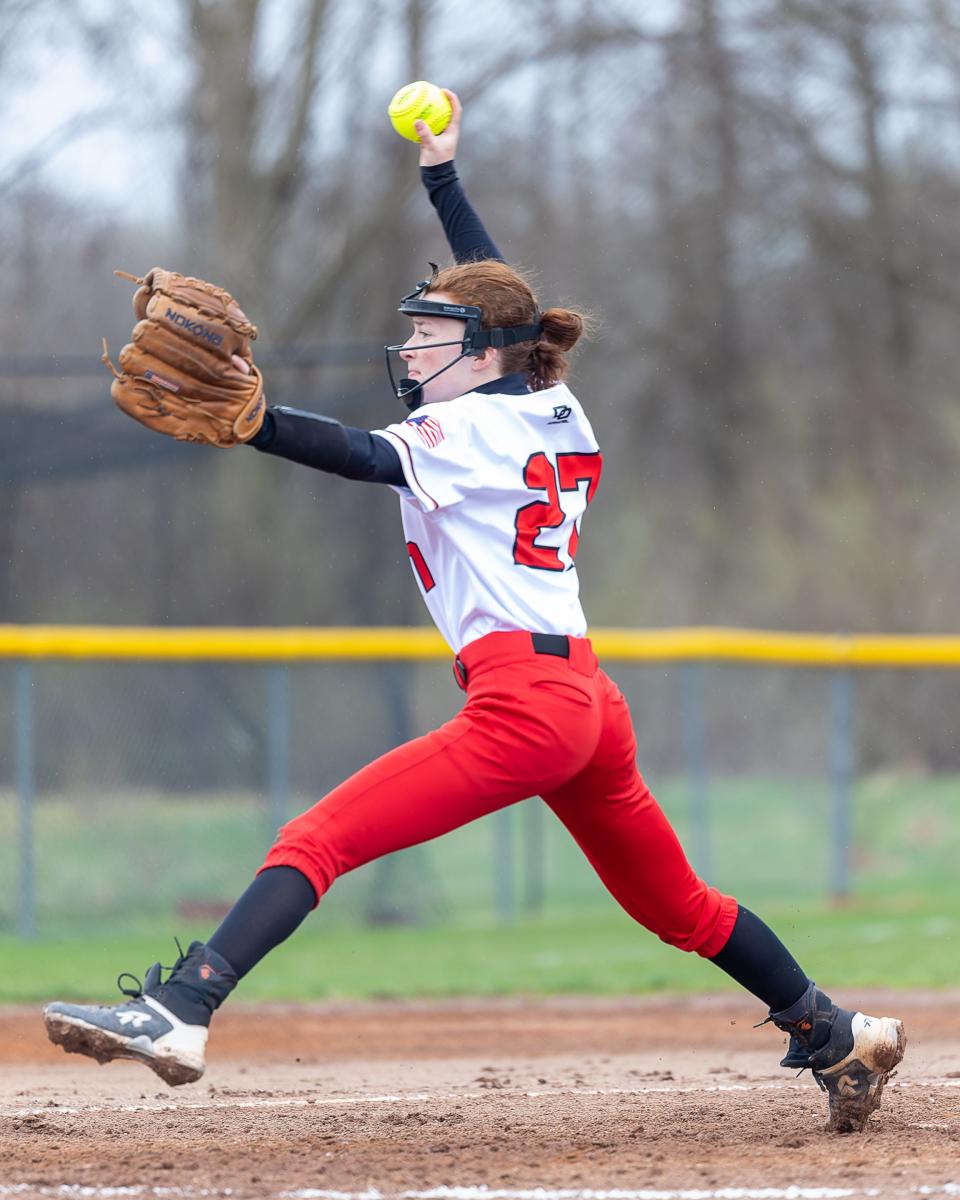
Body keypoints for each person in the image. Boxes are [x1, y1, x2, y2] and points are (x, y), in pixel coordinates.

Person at [44, 90, 905, 1134]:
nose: (411, 349)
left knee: (320, 836)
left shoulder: (464, 437)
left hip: (527, 705)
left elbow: (360, 456)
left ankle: (182, 1011)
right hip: (583, 695)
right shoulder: (551, 402)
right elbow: (507, 309)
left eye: (430, 333)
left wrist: (259, 422)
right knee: (680, 908)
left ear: (485, 353)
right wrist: (443, 178)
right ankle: (833, 1030)